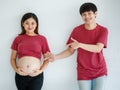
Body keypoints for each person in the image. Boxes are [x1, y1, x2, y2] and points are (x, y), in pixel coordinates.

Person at [48, 2, 108, 90]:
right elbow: (70, 51)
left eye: (89, 13)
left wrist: (80, 45)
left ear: (95, 14)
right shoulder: (77, 31)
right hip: (83, 71)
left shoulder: (103, 30)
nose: (87, 16)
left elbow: (98, 48)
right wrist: (56, 57)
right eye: (84, 14)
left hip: (100, 71)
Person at [10, 12, 50, 90]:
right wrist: (16, 70)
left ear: (36, 24)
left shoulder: (42, 39)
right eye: (27, 23)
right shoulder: (18, 38)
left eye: (32, 23)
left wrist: (40, 70)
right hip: (20, 76)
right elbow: (12, 58)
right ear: (23, 24)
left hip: (36, 76)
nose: (30, 26)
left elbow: (47, 58)